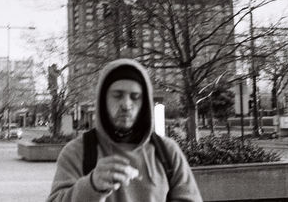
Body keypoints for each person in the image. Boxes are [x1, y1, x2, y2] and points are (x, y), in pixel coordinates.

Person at [47, 58, 202, 202]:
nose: (126, 105)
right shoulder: (76, 152)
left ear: (145, 103)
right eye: (117, 95)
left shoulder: (167, 151)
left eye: (135, 97)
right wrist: (92, 185)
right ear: (103, 100)